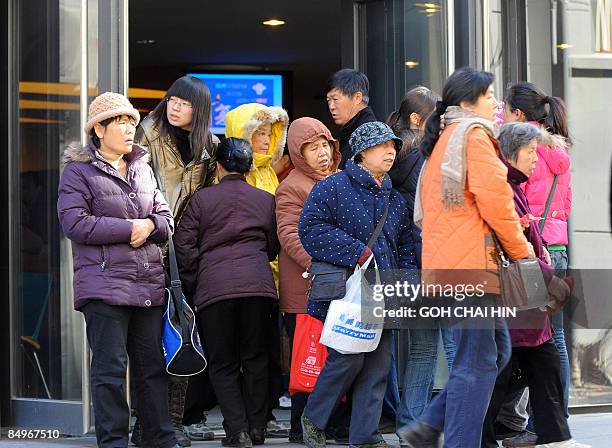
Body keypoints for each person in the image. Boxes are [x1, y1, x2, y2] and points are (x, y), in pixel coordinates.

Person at [397, 67, 535, 448]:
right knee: (475, 365)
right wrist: (523, 254)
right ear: (465, 101)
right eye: (489, 96)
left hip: (452, 267)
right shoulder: (473, 137)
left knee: (494, 354)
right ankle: (452, 440)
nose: (495, 104)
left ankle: (426, 428)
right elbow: (498, 203)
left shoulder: (444, 138)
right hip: (470, 268)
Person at [57, 92, 178, 448]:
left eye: (132, 122)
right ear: (99, 128)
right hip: (103, 286)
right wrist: (133, 228)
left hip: (147, 285)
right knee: (109, 371)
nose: (129, 129)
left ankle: (161, 439)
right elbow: (75, 224)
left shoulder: (143, 167)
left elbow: (166, 219)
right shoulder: (77, 172)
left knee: (152, 368)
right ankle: (113, 442)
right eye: (121, 122)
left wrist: (151, 225)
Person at [298, 121, 418, 448]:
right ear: (363, 152)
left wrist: (406, 281)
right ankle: (314, 418)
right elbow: (310, 230)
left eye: (393, 146)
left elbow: (407, 245)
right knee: (347, 358)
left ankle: (365, 435)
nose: (391, 152)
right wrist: (357, 251)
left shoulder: (396, 200)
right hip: (347, 291)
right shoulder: (333, 187)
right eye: (382, 146)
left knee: (378, 366)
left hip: (385, 292)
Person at [481, 122, 588, 448]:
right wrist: (549, 277)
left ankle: (553, 435)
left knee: (533, 360)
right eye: (531, 152)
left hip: (523, 286)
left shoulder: (513, 185)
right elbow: (514, 242)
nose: (534, 159)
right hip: (512, 288)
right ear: (512, 153)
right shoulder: (503, 188)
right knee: (510, 366)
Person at [174, 137, 280, 448]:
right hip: (259, 288)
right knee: (257, 358)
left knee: (223, 363)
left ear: (218, 166)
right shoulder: (265, 200)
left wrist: (196, 280)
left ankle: (238, 432)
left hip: (214, 291)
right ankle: (257, 427)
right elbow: (273, 246)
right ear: (249, 168)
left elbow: (183, 246)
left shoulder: (201, 200)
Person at [134, 75, 219, 446]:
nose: (175, 106)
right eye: (172, 99)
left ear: (198, 110)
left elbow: (205, 200)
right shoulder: (148, 132)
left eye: (184, 103)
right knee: (148, 342)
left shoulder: (209, 147)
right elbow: (135, 186)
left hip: (183, 253)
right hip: (148, 246)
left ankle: (172, 422)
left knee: (182, 336)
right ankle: (146, 422)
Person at [499, 82, 574, 448]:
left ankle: (526, 419)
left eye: (506, 110)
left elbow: (519, 202)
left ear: (519, 115)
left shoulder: (528, 149)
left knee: (526, 341)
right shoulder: (559, 151)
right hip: (558, 249)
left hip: (533, 252)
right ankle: (557, 417)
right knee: (551, 339)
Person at [386, 86, 456, 430]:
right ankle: (462, 419)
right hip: (438, 262)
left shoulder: (392, 158)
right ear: (418, 119)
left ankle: (410, 422)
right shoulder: (427, 159)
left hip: (410, 266)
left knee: (423, 350)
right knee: (459, 349)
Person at [225, 102, 290, 437]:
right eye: (259, 133)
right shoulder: (231, 174)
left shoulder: (269, 172)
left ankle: (262, 413)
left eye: (269, 134)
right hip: (245, 274)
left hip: (273, 275)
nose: (265, 141)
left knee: (266, 349)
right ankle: (244, 419)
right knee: (242, 351)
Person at [276, 117, 342, 443]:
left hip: (338, 286)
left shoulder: (341, 180)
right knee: (307, 359)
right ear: (298, 153)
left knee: (334, 357)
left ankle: (326, 424)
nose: (322, 153)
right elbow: (289, 235)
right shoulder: (291, 185)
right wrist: (324, 263)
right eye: (312, 148)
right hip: (306, 288)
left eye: (325, 145)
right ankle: (298, 427)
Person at [326, 69, 377, 169]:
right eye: (328, 100)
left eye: (335, 99)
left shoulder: (369, 134)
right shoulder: (350, 130)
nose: (331, 106)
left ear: (357, 98)